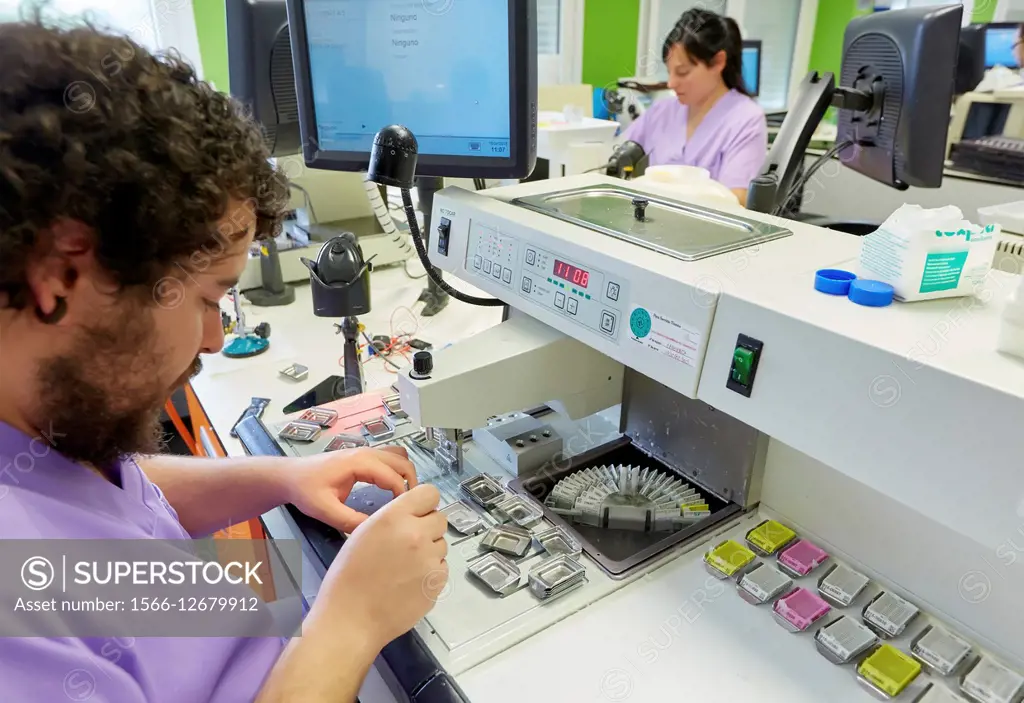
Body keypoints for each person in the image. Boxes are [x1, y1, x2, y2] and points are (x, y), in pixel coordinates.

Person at [0, 19, 448, 703]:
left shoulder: (48, 427)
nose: (213, 338)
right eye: (208, 297)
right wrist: (351, 623)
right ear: (61, 273)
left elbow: (106, 512)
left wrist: (286, 475)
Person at [622, 9, 768, 206]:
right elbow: (614, 154)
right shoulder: (662, 111)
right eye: (669, 72)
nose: (671, 83)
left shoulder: (745, 118)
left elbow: (737, 200)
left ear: (718, 62)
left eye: (682, 72)